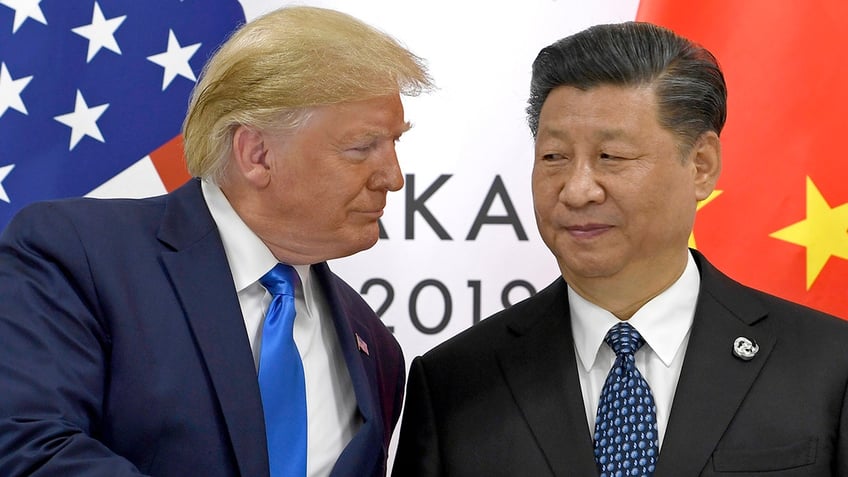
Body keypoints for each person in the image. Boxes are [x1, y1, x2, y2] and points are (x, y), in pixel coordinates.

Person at [392, 21, 848, 476]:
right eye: (554, 158)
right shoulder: (455, 381)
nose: (577, 190)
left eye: (611, 157)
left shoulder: (829, 365)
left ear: (702, 165)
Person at [0, 6, 431, 477]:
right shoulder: (78, 257)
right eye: (361, 148)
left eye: (395, 144)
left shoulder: (376, 347)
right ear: (257, 154)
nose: (392, 177)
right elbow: (30, 448)